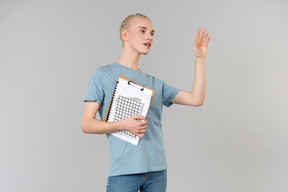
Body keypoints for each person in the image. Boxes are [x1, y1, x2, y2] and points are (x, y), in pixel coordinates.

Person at [81, 13, 211, 192]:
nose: (149, 36)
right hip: (124, 172)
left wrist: (199, 60)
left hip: (157, 172)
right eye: (142, 31)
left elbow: (196, 99)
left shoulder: (155, 83)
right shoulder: (103, 75)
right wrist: (123, 125)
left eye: (152, 33)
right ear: (124, 35)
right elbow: (86, 124)